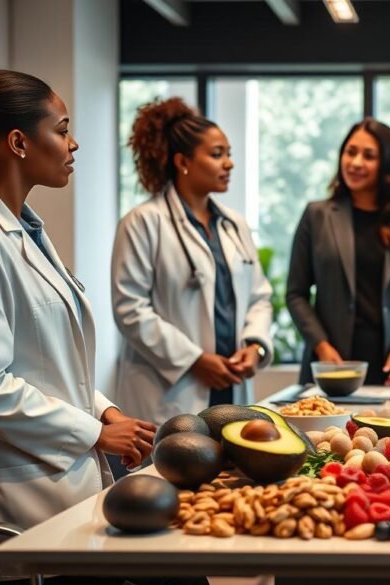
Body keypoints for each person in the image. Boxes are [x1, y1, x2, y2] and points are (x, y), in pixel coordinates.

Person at [0, 70, 158, 582]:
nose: (73, 143)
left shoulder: (19, 230)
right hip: (15, 495)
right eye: (62, 129)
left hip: (52, 475)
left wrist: (105, 410)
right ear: (19, 142)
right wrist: (95, 433)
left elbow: (47, 361)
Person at [111, 98, 273, 425]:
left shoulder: (234, 225)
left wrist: (254, 347)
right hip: (172, 389)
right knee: (170, 470)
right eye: (217, 155)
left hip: (231, 382)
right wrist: (194, 360)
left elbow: (259, 296)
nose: (228, 164)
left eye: (229, 154)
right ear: (182, 161)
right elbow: (130, 308)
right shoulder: (143, 222)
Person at [286, 118, 390, 387]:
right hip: (331, 367)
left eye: (369, 156)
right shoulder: (316, 215)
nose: (355, 163)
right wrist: (321, 346)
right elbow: (296, 293)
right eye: (350, 152)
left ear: (387, 164)